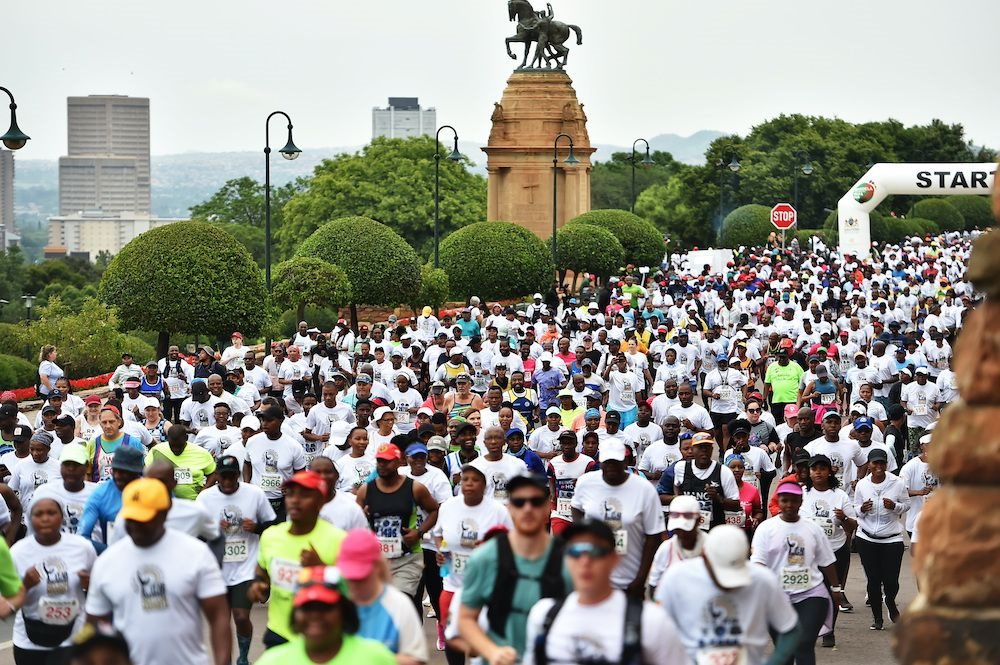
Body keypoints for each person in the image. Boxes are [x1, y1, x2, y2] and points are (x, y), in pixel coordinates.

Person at [85, 477, 232, 665]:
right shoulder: (107, 562)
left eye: (143, 518)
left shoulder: (196, 554)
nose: (135, 525)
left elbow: (218, 615)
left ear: (164, 514)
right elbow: (95, 624)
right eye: (130, 518)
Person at [524, 518, 685, 665]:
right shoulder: (543, 616)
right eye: (575, 552)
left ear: (614, 558)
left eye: (595, 551)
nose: (585, 561)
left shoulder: (652, 621)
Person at [458, 472, 571, 663]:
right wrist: (492, 651)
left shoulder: (569, 561)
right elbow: (466, 618)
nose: (527, 509)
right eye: (519, 502)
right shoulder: (485, 558)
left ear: (547, 507)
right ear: (510, 508)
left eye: (536, 502)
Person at [657, 525, 801, 665]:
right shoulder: (677, 578)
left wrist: (775, 661)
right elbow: (658, 630)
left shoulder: (763, 581)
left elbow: (790, 628)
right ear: (705, 557)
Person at [250, 470, 346, 648]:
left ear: (321, 501)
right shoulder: (271, 536)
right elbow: (262, 571)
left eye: (304, 495)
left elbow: (354, 591)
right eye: (291, 494)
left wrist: (321, 568)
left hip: (320, 635)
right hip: (279, 632)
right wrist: (258, 584)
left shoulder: (339, 540)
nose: (295, 500)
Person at [751, 480, 842, 665]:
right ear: (778, 502)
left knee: (803, 643)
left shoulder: (812, 528)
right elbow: (758, 564)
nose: (789, 505)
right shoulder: (766, 528)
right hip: (777, 597)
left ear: (801, 502)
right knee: (785, 649)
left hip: (811, 594)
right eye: (785, 501)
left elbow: (827, 560)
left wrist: (836, 587)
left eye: (794, 501)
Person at [196, 455, 276, 665]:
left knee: (241, 616)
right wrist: (213, 531)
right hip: (216, 569)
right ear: (217, 477)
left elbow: (273, 526)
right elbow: (195, 534)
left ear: (239, 475)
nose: (228, 481)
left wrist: (256, 527)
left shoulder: (254, 494)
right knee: (221, 621)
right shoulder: (205, 498)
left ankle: (243, 657)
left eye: (232, 477)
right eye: (224, 477)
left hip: (246, 567)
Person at [434, 464, 512, 662]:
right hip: (453, 582)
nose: (468, 484)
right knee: (451, 633)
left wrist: (487, 549)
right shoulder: (449, 506)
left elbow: (512, 542)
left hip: (487, 586)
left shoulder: (498, 511)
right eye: (465, 479)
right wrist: (440, 552)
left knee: (484, 637)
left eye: (475, 480)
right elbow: (438, 534)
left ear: (485, 485)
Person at [571, 439, 665, 596]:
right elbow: (576, 507)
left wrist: (640, 580)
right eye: (607, 462)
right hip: (593, 579)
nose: (611, 466)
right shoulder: (586, 482)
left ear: (625, 461)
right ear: (600, 461)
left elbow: (653, 536)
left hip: (629, 582)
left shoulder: (644, 490)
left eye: (616, 462)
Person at [11, 497, 96, 665]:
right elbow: (7, 601)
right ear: (30, 518)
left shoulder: (82, 548)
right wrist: (25, 586)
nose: (45, 518)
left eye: (51, 513)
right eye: (38, 514)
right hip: (29, 640)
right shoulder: (17, 552)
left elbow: (99, 591)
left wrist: (90, 586)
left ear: (62, 517)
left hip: (72, 638)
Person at [253, 565, 396, 665]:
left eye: (325, 607)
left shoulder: (377, 658)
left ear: (344, 611)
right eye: (307, 607)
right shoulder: (272, 661)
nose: (315, 615)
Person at [356, 441, 440, 608]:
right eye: (379, 460)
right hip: (377, 559)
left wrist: (419, 532)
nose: (382, 464)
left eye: (387, 460)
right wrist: (363, 520)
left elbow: (434, 510)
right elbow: (355, 519)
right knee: (380, 607)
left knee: (401, 603)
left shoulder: (414, 488)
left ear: (398, 462)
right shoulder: (366, 490)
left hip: (407, 559)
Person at [336, 529, 429, 665]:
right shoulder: (332, 603)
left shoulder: (398, 604)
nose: (355, 583)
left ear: (378, 567)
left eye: (361, 576)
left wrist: (372, 658)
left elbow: (417, 659)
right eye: (349, 576)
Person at [801, 453, 858, 647]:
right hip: (809, 552)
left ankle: (829, 631)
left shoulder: (839, 495)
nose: (818, 472)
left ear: (829, 471)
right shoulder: (802, 493)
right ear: (809, 472)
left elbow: (853, 525)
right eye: (814, 469)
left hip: (835, 550)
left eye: (822, 468)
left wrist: (843, 518)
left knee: (832, 591)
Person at [854, 448, 910, 630]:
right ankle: (877, 618)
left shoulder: (898, 483)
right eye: (875, 463)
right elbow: (855, 509)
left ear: (886, 465)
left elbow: (906, 505)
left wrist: (894, 506)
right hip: (867, 538)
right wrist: (862, 509)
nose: (878, 467)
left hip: (891, 538)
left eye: (882, 463)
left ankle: (890, 601)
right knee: (873, 579)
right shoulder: (862, 485)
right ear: (869, 465)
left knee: (891, 580)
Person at [243, 405, 307, 522]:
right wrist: (247, 484)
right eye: (263, 420)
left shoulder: (293, 446)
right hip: (258, 499)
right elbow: (247, 464)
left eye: (269, 420)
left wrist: (292, 487)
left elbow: (301, 473)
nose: (265, 424)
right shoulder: (252, 441)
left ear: (281, 421)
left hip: (282, 501)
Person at [78, 447, 144, 552]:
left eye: (123, 472)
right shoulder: (100, 494)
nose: (117, 476)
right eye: (115, 470)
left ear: (137, 473)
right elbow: (82, 537)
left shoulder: (154, 491)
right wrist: (110, 553)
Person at [674, 433, 741, 530]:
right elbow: (677, 487)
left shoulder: (723, 471)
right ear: (692, 449)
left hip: (714, 530)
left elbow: (736, 505)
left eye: (707, 447)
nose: (704, 450)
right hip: (688, 530)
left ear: (712, 449)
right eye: (700, 447)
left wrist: (717, 498)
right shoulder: (681, 468)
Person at [29, 443, 95, 539]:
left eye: (76, 465)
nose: (71, 469)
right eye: (67, 464)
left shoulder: (98, 493)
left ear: (86, 466)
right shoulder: (44, 492)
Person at [646, 494, 704, 592]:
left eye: (685, 529)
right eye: (678, 529)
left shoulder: (710, 547)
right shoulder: (666, 549)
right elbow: (653, 585)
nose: (681, 533)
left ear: (698, 521)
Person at [146, 424, 217, 501]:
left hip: (194, 503)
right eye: (172, 446)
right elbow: (145, 473)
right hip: (163, 503)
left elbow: (213, 473)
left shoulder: (201, 453)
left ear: (186, 438)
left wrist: (204, 492)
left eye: (179, 446)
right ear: (167, 439)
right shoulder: (157, 451)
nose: (176, 449)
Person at [546, 430, 596, 535]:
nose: (566, 446)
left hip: (582, 512)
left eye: (569, 443)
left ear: (576, 444)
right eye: (564, 443)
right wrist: (552, 504)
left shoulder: (588, 463)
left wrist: (581, 483)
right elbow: (551, 484)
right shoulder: (553, 463)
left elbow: (595, 487)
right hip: (560, 512)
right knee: (558, 542)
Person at [83, 406, 144, 484]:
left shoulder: (133, 442)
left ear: (119, 422)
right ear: (100, 424)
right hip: (101, 492)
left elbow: (141, 471)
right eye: (104, 422)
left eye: (111, 422)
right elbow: (87, 474)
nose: (108, 426)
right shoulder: (93, 444)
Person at [9, 431, 61, 511]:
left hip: (51, 515)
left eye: (39, 450)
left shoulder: (58, 466)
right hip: (26, 517)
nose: (35, 453)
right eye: (32, 449)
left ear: (48, 449)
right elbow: (12, 490)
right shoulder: (21, 465)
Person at [724, 453, 763, 536]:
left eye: (740, 467)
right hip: (723, 535)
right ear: (726, 469)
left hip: (745, 535)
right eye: (733, 467)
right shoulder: (720, 489)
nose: (737, 470)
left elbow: (758, 512)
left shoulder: (753, 490)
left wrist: (756, 519)